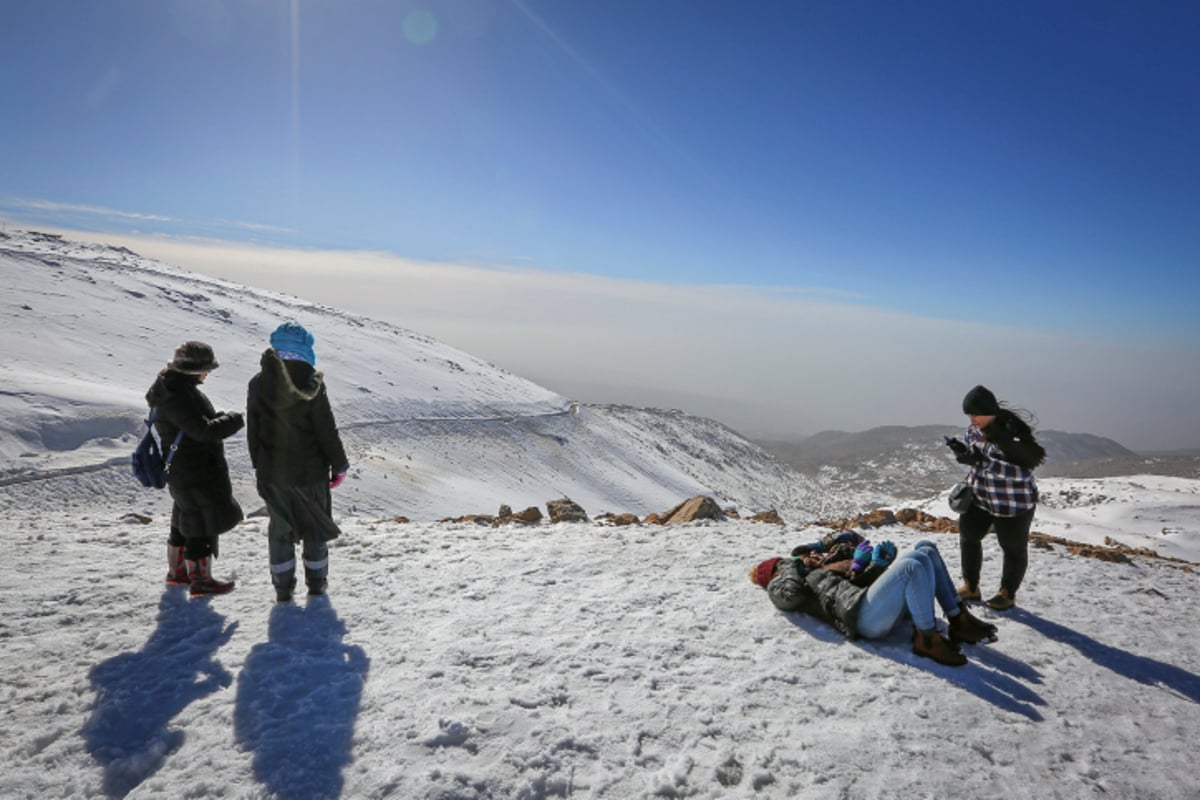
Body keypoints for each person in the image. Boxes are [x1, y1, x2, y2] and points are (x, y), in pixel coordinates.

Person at [750, 532, 997, 666]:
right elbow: (790, 596)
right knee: (912, 565)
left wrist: (878, 565)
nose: (808, 558)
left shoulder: (818, 571)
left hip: (866, 604)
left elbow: (855, 585)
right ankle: (927, 639)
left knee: (925, 549)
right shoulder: (783, 586)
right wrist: (788, 566)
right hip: (860, 620)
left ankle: (958, 619)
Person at [247, 322, 349, 603]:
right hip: (310, 473)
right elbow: (325, 428)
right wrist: (338, 465)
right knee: (315, 529)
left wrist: (261, 467)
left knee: (280, 531)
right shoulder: (312, 381)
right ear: (306, 347)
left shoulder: (258, 382)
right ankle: (317, 586)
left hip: (273, 474)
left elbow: (253, 430)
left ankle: (283, 589)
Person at [146, 341, 244, 596]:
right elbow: (203, 431)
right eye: (205, 368)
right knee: (201, 521)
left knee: (185, 517)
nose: (207, 373)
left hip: (184, 467)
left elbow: (193, 424)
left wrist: (217, 418)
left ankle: (178, 573)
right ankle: (201, 581)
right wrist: (233, 419)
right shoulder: (178, 395)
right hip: (194, 468)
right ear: (191, 369)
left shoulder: (173, 389)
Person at [945, 385, 1046, 611]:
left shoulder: (1012, 434)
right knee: (968, 537)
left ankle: (1007, 594)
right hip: (980, 498)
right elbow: (976, 457)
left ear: (989, 411)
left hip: (1013, 503)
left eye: (975, 415)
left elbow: (1023, 472)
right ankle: (971, 587)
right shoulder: (973, 431)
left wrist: (982, 462)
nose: (972, 420)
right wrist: (964, 453)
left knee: (1012, 547)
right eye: (969, 416)